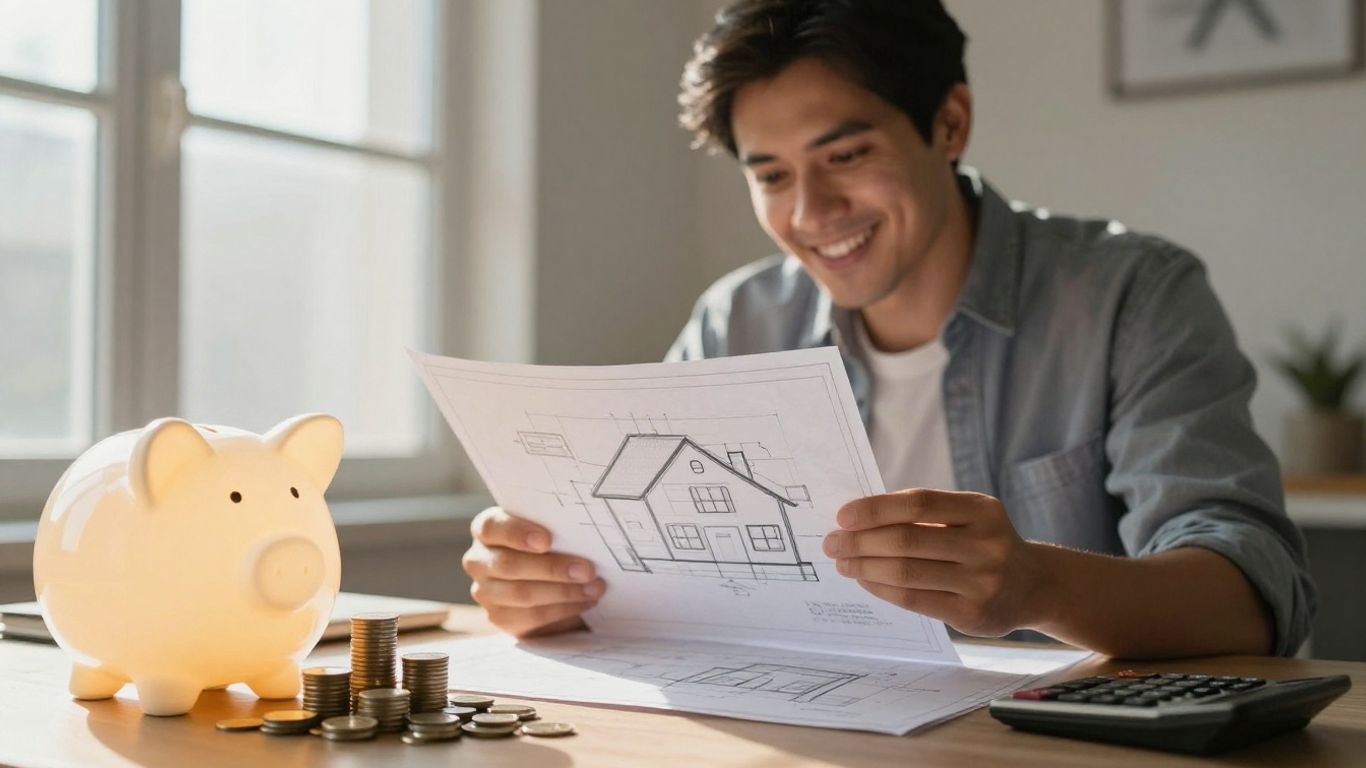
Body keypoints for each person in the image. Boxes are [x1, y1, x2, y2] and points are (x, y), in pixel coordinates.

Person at [461, 0, 1315, 658]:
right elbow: (660, 576)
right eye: (771, 175)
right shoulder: (739, 321)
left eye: (846, 156)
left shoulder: (1133, 294)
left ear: (949, 125)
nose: (811, 213)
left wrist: (1035, 587)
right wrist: (552, 589)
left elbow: (1251, 596)